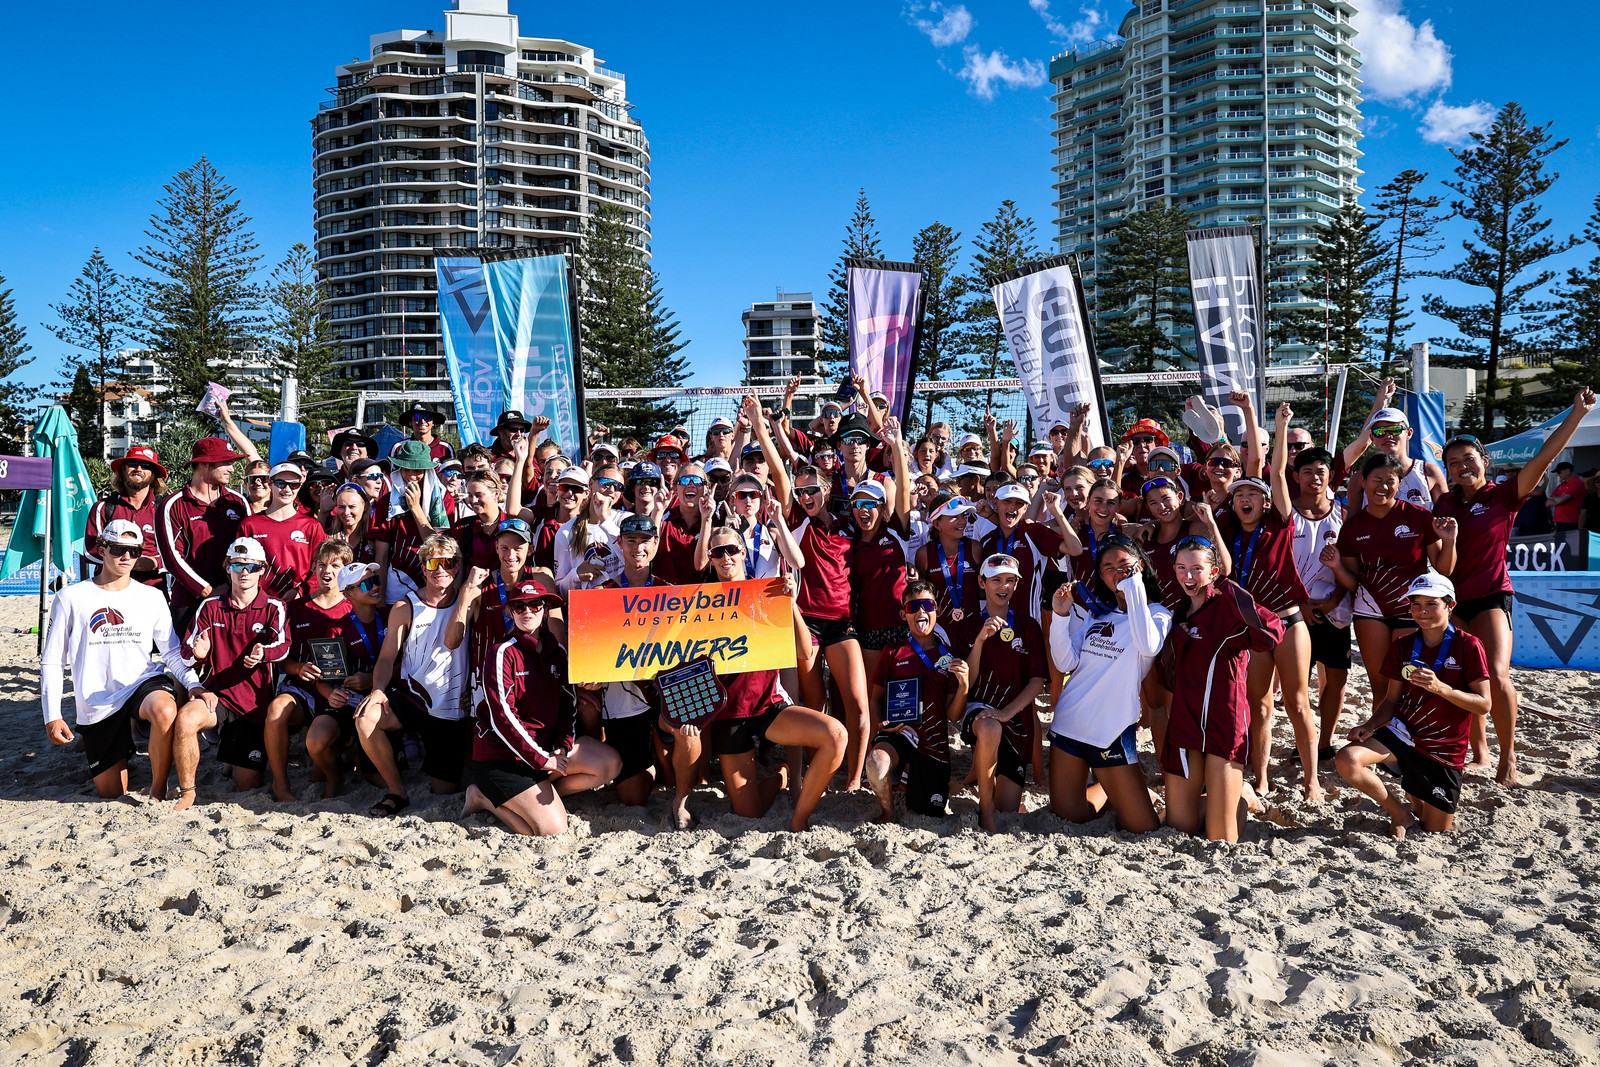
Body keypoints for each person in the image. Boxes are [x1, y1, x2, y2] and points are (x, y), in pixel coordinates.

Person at [1435, 387, 1596, 786]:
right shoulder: (1445, 505)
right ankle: (1480, 753)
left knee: (1498, 675)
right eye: (1453, 463)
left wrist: (1575, 415)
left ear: (1483, 461)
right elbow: (1441, 563)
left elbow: (1544, 458)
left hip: (1492, 596)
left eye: (1468, 459)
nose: (1461, 467)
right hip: (1453, 600)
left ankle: (1508, 759)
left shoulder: (1504, 493)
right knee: (1463, 677)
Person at [665, 528, 847, 831]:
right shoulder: (697, 602)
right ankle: (781, 776)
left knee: (836, 736)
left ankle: (799, 820)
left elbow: (804, 652)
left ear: (743, 552)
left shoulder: (769, 591)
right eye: (717, 552)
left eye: (731, 550)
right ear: (709, 560)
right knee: (749, 813)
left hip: (768, 706)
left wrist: (790, 605)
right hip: (728, 714)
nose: (725, 557)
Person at [41, 519, 206, 800]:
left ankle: (158, 789)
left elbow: (170, 651)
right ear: (101, 549)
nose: (127, 557)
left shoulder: (152, 596)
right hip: (97, 701)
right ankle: (124, 755)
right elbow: (52, 660)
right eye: (118, 549)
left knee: (166, 710)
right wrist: (52, 716)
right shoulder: (70, 597)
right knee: (111, 791)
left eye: (135, 551)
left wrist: (193, 683)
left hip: (141, 683)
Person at [1335, 573, 1491, 837]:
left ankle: (1415, 796)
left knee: (1434, 829)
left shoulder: (1469, 645)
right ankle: (1400, 812)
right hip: (1404, 733)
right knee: (1347, 759)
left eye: (1432, 604)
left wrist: (1442, 688)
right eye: (1416, 604)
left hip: (1444, 748)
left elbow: (1484, 704)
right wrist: (1370, 725)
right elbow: (1391, 700)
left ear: (1450, 606)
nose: (1422, 611)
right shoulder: (1404, 644)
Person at [461, 578, 621, 836]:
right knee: (553, 831)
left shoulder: (557, 651)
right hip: (504, 758)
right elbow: (503, 717)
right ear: (511, 612)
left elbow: (568, 705)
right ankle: (483, 797)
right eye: (519, 607)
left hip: (545, 753)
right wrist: (541, 759)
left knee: (609, 764)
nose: (527, 612)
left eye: (534, 605)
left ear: (545, 609)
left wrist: (563, 745)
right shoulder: (501, 652)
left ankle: (538, 794)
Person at [1224, 397, 1321, 801]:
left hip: (1289, 620)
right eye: (1238, 494)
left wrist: (1276, 425)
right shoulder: (1229, 529)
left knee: (1298, 704)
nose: (1245, 497)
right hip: (1253, 625)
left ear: (1265, 502)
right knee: (1259, 707)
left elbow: (1275, 470)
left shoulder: (1279, 522)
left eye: (1252, 493)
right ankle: (1261, 776)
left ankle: (1312, 780)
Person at [1162, 537, 1284, 843]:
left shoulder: (1229, 609)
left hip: (1224, 722)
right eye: (1181, 568)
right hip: (1185, 723)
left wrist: (1229, 587)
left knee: (1221, 837)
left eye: (1196, 569)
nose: (1187, 577)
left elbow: (1272, 634)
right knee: (1181, 829)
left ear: (1213, 571)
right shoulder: (1173, 612)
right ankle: (1221, 797)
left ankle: (1237, 796)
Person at [1046, 537, 1169, 833]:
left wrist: (1134, 588)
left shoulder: (1158, 614)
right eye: (1109, 568)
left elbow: (1148, 645)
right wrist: (1061, 616)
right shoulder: (1096, 614)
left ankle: (1121, 790)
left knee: (1142, 826)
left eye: (1125, 565)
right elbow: (1065, 663)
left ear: (1140, 567)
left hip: (1110, 731)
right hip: (1070, 723)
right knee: (1069, 814)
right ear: (1101, 576)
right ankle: (1107, 789)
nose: (1118, 573)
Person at [1330, 453, 1458, 712]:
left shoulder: (1419, 516)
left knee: (1410, 682)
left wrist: (1450, 540)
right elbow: (1354, 582)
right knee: (1380, 686)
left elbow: (1444, 569)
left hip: (1412, 610)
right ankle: (1385, 744)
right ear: (1364, 481)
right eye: (1377, 479)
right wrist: (1335, 566)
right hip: (1370, 610)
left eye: (1391, 480)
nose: (1384, 486)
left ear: (1400, 484)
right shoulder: (1352, 527)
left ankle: (1410, 744)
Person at [172, 537, 292, 810]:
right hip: (218, 698)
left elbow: (284, 646)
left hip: (254, 707)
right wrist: (198, 655)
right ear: (228, 568)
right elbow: (185, 654)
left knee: (247, 784)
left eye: (251, 566)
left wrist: (264, 653)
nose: (244, 572)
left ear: (262, 569)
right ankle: (188, 792)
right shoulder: (210, 606)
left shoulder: (274, 606)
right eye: (237, 565)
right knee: (185, 720)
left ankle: (230, 759)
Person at [357, 533, 473, 807]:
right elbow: (386, 658)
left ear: (457, 566)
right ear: (422, 568)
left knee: (444, 789)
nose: (440, 570)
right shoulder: (405, 606)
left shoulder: (470, 602)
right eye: (432, 564)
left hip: (451, 706)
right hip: (413, 697)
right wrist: (377, 690)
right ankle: (397, 791)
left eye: (447, 563)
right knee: (365, 717)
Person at [946, 554, 1049, 833]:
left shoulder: (1028, 626)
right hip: (980, 710)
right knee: (990, 727)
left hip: (1015, 719)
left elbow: (1038, 682)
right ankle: (986, 810)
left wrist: (1007, 713)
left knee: (1009, 808)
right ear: (982, 582)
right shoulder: (966, 627)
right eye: (996, 580)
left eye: (1010, 580)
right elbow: (969, 681)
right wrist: (979, 640)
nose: (1004, 587)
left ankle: (984, 795)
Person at [788, 458, 873, 791]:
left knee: (858, 704)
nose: (806, 497)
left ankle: (853, 781)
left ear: (826, 489)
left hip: (841, 622)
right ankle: (818, 768)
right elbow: (782, 477)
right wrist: (759, 422)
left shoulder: (848, 524)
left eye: (812, 490)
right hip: (806, 621)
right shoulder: (797, 521)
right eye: (800, 492)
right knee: (814, 704)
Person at [864, 580, 971, 823]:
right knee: (876, 763)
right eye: (913, 607)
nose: (921, 612)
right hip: (899, 734)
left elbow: (953, 716)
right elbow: (876, 698)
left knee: (928, 811)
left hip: (933, 745)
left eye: (926, 605)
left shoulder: (949, 657)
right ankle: (888, 811)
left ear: (936, 610)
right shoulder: (892, 652)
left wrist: (963, 685)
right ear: (904, 614)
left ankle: (905, 778)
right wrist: (881, 725)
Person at [583, 515, 671, 806]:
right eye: (631, 540)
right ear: (619, 543)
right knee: (632, 797)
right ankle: (650, 765)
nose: (638, 547)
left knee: (679, 773)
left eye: (645, 540)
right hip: (623, 703)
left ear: (656, 544)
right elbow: (590, 652)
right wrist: (591, 676)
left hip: (661, 697)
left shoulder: (671, 593)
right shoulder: (600, 594)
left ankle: (664, 764)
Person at [264, 539, 354, 801]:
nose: (328, 571)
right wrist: (298, 667)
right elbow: (280, 657)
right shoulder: (294, 609)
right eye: (322, 564)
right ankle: (281, 784)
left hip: (339, 692)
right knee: (276, 710)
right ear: (313, 568)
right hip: (300, 688)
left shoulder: (353, 609)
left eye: (336, 565)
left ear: (346, 570)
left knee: (321, 772)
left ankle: (337, 764)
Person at [1290, 444, 1351, 763]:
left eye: (1321, 472)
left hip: (1335, 610)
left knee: (1337, 679)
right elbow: (1279, 564)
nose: (1314, 477)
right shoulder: (1286, 512)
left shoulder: (1342, 513)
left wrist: (1332, 602)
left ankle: (1325, 743)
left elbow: (1351, 566)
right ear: (1297, 475)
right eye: (1308, 471)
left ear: (1331, 477)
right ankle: (1305, 743)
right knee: (1296, 687)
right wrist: (1300, 604)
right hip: (1295, 611)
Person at [158, 437, 251, 634]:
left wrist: (231, 588)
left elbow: (250, 549)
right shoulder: (173, 504)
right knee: (187, 662)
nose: (232, 469)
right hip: (188, 603)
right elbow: (171, 557)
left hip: (233, 599)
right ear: (203, 463)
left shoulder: (239, 502)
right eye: (226, 463)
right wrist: (206, 590)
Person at [238, 462, 328, 602]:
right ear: (270, 483)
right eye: (280, 483)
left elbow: (323, 566)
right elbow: (238, 565)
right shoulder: (249, 525)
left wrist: (301, 591)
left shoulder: (312, 526)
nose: (287, 489)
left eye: (293, 485)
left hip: (299, 603)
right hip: (259, 603)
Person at [85, 444, 168, 588]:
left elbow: (177, 552)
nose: (138, 469)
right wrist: (129, 561)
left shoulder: (164, 509)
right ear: (123, 470)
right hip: (109, 590)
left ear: (154, 474)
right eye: (132, 464)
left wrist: (155, 563)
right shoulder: (103, 507)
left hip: (152, 590)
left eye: (146, 465)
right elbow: (91, 551)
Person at [382, 440, 452, 604]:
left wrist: (415, 507)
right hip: (397, 581)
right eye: (406, 470)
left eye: (418, 470)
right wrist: (380, 595)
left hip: (435, 577)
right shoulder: (387, 502)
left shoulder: (443, 499)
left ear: (428, 471)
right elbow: (382, 554)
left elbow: (440, 546)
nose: (412, 476)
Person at [1345, 402, 1446, 510]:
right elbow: (1353, 522)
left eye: (1395, 430)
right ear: (1372, 437)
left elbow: (1446, 514)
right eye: (1380, 432)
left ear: (1409, 433)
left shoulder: (1429, 471)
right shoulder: (1360, 478)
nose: (1388, 436)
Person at [914, 495, 982, 627]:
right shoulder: (924, 554)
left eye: (963, 516)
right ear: (936, 524)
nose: (962, 521)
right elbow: (923, 597)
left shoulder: (975, 548)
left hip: (973, 629)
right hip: (940, 631)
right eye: (954, 517)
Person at [1549, 462, 1584, 532]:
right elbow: (1548, 503)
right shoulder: (1562, 485)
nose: (1558, 475)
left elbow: (1561, 500)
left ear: (1567, 471)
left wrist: (1557, 499)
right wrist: (1560, 498)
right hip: (1559, 520)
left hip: (1570, 521)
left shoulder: (1577, 483)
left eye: (1559, 472)